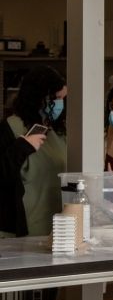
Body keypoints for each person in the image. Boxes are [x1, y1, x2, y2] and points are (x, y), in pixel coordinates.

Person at [0, 65, 68, 238]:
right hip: (20, 230)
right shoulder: (9, 129)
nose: (60, 104)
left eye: (63, 98)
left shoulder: (58, 131)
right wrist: (22, 147)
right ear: (39, 98)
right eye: (56, 98)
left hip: (57, 227)